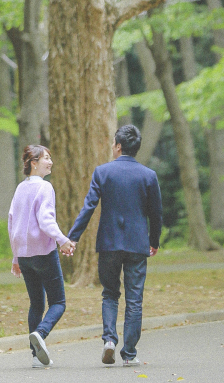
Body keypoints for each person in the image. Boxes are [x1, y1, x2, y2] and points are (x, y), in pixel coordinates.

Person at [67, 124, 162, 368]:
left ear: (118, 146)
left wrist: (73, 237)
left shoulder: (102, 172)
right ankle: (129, 353)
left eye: (113, 143)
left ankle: (109, 340)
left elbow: (89, 207)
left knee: (110, 293)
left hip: (109, 243)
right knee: (134, 299)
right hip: (137, 245)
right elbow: (156, 213)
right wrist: (154, 241)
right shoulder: (148, 176)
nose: (112, 147)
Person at [8, 144, 76, 369]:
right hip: (43, 254)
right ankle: (40, 333)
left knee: (36, 304)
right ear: (34, 163)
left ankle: (36, 357)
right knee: (58, 302)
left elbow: (12, 223)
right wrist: (63, 240)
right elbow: (46, 221)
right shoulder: (45, 188)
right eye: (46, 158)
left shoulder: (20, 188)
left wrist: (16, 258)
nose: (51, 162)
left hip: (25, 257)